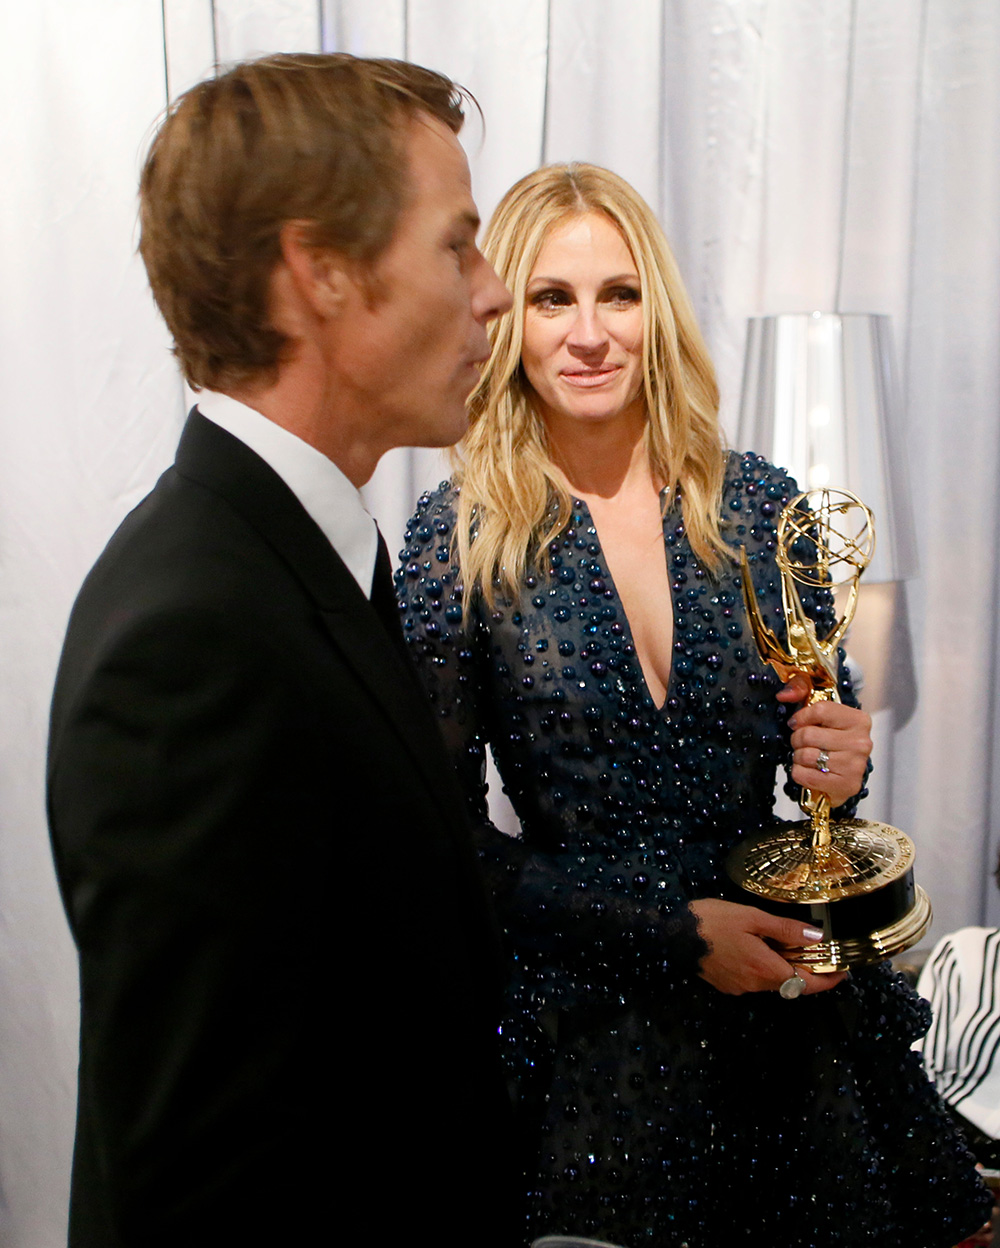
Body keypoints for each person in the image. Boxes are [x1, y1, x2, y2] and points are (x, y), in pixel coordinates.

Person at [397, 162, 990, 1246]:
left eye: (617, 294)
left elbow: (830, 801)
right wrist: (668, 933)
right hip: (593, 1028)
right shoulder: (459, 537)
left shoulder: (758, 503)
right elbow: (438, 843)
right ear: (510, 320)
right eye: (551, 297)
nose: (589, 333)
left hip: (781, 1011)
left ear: (655, 309)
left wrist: (840, 762)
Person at [47, 54, 516, 1247]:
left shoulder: (290, 558)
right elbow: (202, 1189)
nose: (493, 290)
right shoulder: (193, 639)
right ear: (323, 272)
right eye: (456, 245)